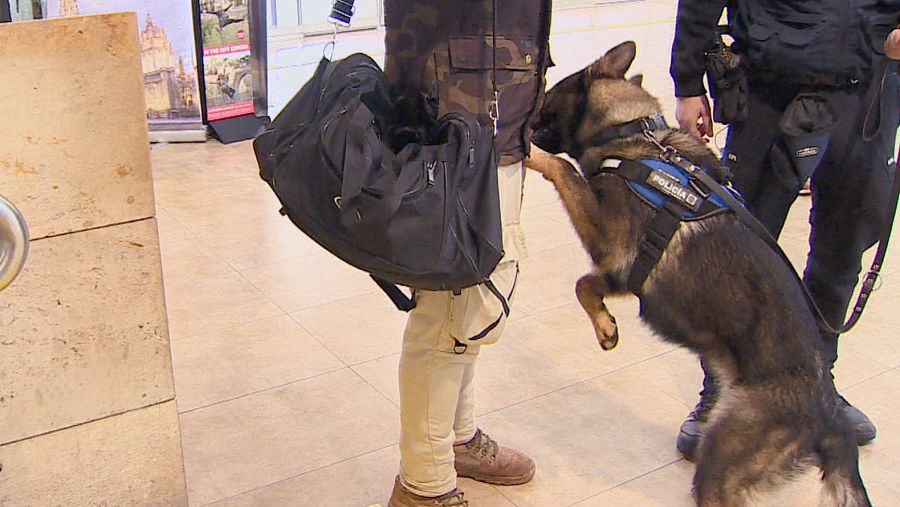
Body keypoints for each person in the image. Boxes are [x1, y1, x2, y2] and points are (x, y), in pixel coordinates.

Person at [669, 0, 900, 461]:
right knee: (741, 251)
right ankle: (723, 388)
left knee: (843, 247)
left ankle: (814, 383)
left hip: (871, 85)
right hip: (771, 86)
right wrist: (689, 80)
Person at [382, 1, 552, 505]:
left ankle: (456, 438)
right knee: (445, 318)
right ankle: (425, 483)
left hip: (499, 122)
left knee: (474, 305)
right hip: (456, 132)